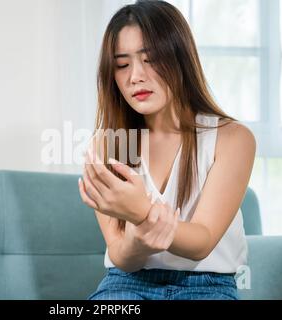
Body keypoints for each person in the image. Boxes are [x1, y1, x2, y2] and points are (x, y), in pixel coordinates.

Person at [77, 0, 256, 300]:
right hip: (127, 283)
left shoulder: (233, 139)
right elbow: (121, 256)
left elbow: (203, 241)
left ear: (180, 58)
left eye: (150, 60)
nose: (135, 76)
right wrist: (139, 241)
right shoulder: (106, 144)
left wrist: (142, 213)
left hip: (207, 286)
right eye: (122, 65)